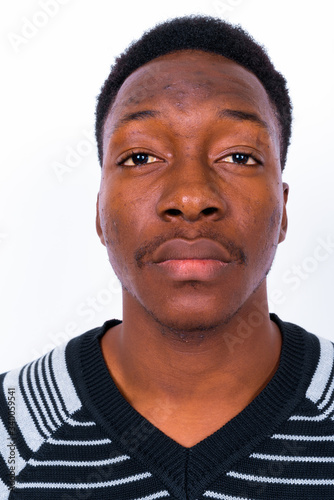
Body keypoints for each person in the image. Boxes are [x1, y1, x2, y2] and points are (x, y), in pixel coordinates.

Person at [0, 14, 333, 500]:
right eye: (140, 156)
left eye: (239, 156)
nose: (192, 196)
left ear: (283, 210)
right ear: (99, 212)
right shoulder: (12, 435)